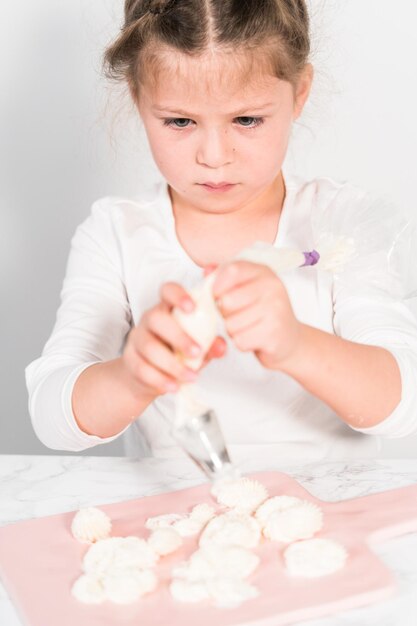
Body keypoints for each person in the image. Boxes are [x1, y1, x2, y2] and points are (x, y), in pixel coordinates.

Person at [26, 0, 417, 461]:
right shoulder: (116, 233)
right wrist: (133, 376)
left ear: (299, 92)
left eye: (247, 120)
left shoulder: (337, 224)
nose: (214, 156)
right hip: (172, 517)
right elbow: (52, 418)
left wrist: (296, 344)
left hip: (326, 518)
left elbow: (403, 405)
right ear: (137, 95)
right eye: (180, 121)